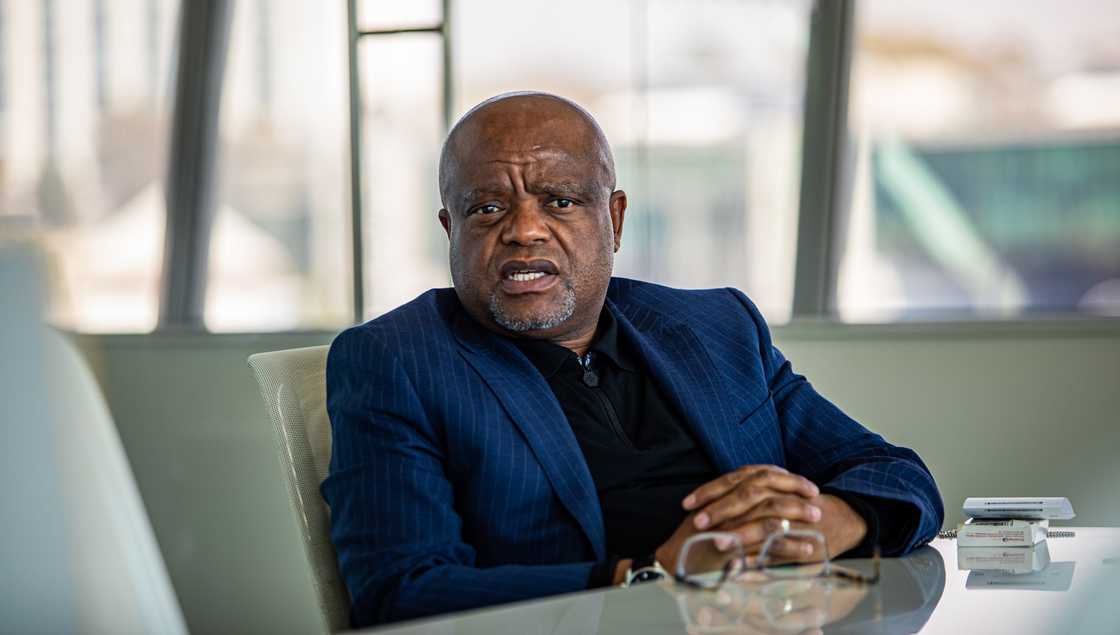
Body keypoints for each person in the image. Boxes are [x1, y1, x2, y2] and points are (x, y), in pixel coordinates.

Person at [322, 92, 944, 627]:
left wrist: (829, 520)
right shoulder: (395, 362)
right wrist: (645, 578)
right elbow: (399, 593)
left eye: (560, 201)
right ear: (449, 228)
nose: (524, 230)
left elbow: (895, 475)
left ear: (614, 219)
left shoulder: (716, 327)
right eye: (487, 209)